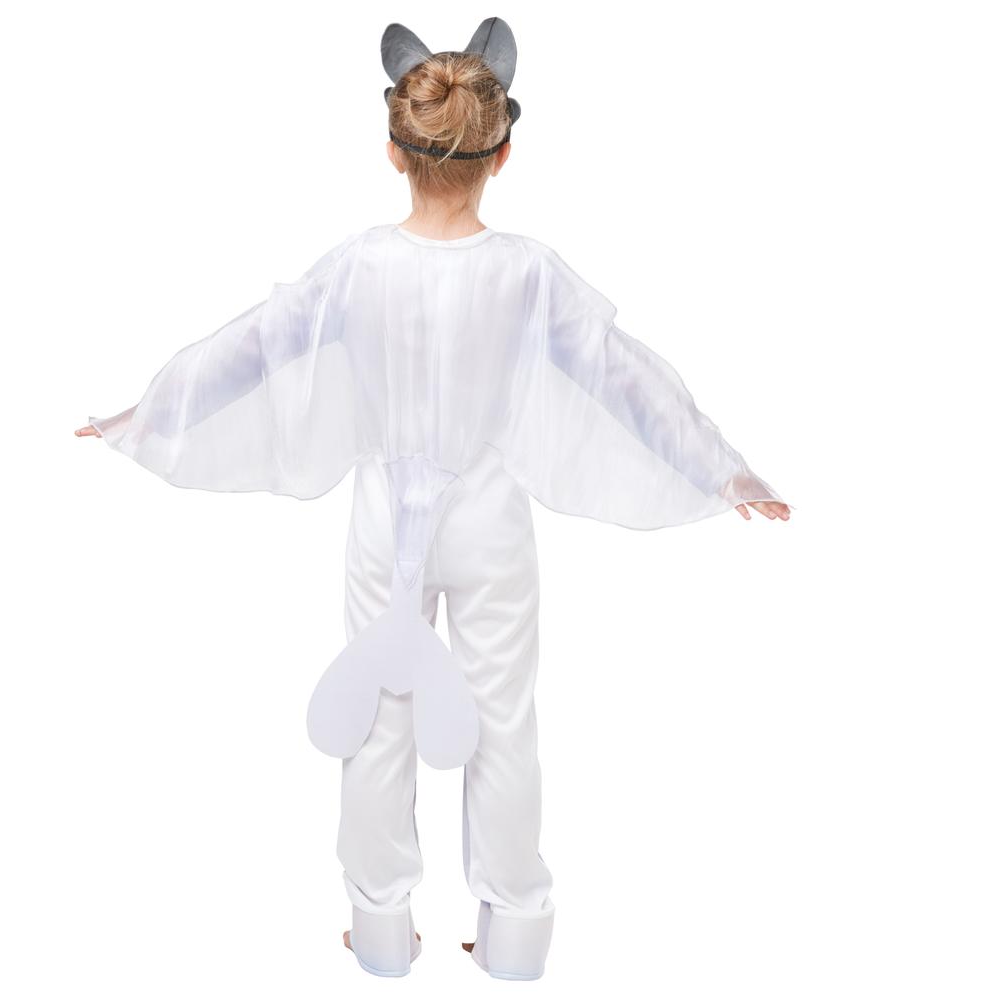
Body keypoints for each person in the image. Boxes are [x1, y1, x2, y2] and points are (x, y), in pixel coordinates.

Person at [76, 17, 790, 982]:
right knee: (502, 721)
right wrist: (721, 468)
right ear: (504, 155)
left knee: (377, 716)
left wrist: (145, 415)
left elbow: (252, 347)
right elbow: (625, 380)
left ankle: (380, 930)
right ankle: (515, 934)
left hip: (386, 523)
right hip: (489, 523)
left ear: (391, 151)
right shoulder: (526, 273)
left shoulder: (359, 266)